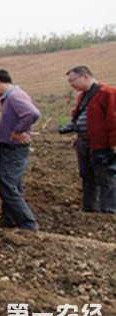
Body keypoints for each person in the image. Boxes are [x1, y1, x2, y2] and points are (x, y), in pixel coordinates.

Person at [0, 69, 40, 231]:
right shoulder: (10, 98)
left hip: (13, 149)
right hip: (8, 146)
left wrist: (18, 131)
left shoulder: (15, 96)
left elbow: (32, 113)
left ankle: (27, 223)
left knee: (8, 185)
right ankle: (9, 219)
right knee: (10, 184)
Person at [62, 66, 116, 213]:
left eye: (72, 80)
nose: (71, 84)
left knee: (105, 175)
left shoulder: (107, 93)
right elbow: (79, 115)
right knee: (87, 175)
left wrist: (113, 144)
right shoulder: (83, 96)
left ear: (85, 77)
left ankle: (109, 210)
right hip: (84, 141)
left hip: (101, 143)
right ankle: (90, 208)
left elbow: (113, 119)